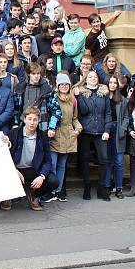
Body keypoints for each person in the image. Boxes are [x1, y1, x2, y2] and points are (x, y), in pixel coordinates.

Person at [1, 107, 59, 211]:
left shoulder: (43, 136)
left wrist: (42, 176)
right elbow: (4, 155)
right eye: (29, 119)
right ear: (24, 119)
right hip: (16, 169)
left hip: (33, 169)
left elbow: (48, 160)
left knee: (53, 181)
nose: (32, 123)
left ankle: (34, 195)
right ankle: (8, 196)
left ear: (38, 120)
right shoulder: (14, 133)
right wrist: (13, 170)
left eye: (35, 119)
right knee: (1, 172)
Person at [75, 71, 113, 201]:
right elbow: (83, 111)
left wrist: (107, 130)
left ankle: (101, 188)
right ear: (86, 79)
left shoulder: (103, 94)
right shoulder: (82, 93)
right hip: (85, 130)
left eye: (95, 77)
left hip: (100, 130)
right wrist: (79, 96)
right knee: (84, 159)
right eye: (90, 77)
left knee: (104, 159)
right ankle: (87, 186)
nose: (93, 79)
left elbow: (108, 113)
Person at [47, 73, 81, 202]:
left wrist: (77, 129)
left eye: (66, 84)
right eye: (62, 84)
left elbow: (75, 118)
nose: (64, 86)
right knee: (53, 164)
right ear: (58, 86)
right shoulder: (53, 98)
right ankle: (51, 190)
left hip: (68, 134)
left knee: (62, 165)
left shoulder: (73, 100)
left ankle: (59, 190)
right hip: (55, 133)